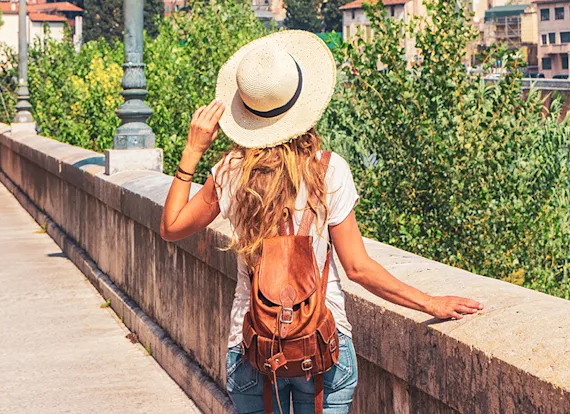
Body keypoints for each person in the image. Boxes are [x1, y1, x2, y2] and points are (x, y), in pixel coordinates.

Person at [160, 31, 483, 413]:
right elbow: (359, 268)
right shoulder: (328, 171)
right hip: (324, 344)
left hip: (253, 349)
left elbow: (172, 226)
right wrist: (430, 302)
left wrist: (193, 149)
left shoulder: (230, 174)